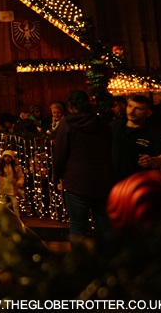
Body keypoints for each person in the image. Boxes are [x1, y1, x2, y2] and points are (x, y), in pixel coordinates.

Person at [52, 90, 115, 244]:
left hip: (76, 180)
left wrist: (57, 176)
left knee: (78, 226)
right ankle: (108, 261)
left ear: (70, 105)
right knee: (104, 224)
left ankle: (80, 264)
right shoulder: (102, 123)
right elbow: (109, 149)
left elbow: (60, 153)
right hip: (102, 179)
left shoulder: (66, 124)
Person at [110, 94, 161, 181]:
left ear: (148, 113)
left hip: (138, 182)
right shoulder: (114, 126)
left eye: (138, 109)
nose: (131, 111)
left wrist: (153, 160)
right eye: (130, 106)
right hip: (112, 180)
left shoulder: (153, 132)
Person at [0, 149, 25, 216]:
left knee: (15, 203)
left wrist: (19, 183)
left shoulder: (16, 167)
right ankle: (2, 216)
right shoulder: (0, 166)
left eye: (9, 157)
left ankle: (17, 217)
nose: (7, 158)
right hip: (2, 188)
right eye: (6, 156)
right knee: (1, 203)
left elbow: (21, 176)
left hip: (12, 188)